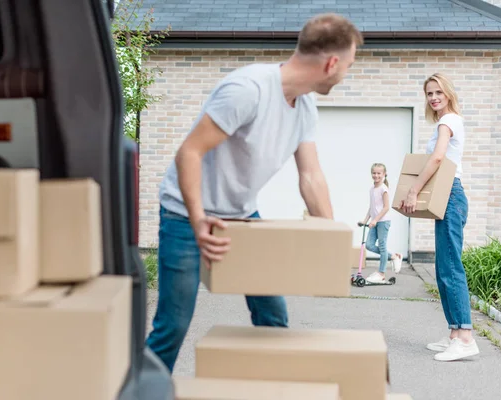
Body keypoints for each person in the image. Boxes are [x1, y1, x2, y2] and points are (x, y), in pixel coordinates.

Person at [145, 13, 364, 373]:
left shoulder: (305, 105)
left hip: (241, 214)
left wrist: (332, 242)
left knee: (272, 316)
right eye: (349, 66)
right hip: (187, 215)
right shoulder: (249, 90)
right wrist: (199, 219)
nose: (346, 74)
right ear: (331, 63)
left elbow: (311, 176)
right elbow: (190, 153)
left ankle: (271, 388)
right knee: (172, 326)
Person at [399, 72, 479, 362]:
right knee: (444, 266)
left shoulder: (448, 121)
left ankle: (466, 337)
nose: (433, 97)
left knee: (450, 268)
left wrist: (413, 191)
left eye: (438, 93)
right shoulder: (446, 122)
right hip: (449, 197)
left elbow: (436, 159)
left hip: (450, 195)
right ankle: (455, 334)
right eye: (429, 93)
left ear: (448, 94)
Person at [358, 162, 402, 283]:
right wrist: (365, 221)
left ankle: (381, 273)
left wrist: (375, 220)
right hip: (374, 221)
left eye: (379, 173)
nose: (376, 175)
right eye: (374, 173)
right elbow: (371, 207)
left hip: (383, 221)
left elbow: (386, 207)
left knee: (382, 247)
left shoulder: (384, 189)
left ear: (384, 174)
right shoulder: (372, 189)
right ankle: (393, 256)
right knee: (369, 245)